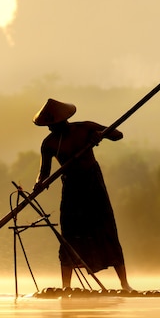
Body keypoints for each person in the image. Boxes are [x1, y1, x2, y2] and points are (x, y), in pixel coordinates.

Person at [33, 98, 133, 291]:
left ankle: (124, 284)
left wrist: (99, 135)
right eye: (48, 126)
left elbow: (118, 135)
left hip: (93, 184)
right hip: (71, 188)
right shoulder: (50, 143)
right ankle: (66, 287)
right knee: (69, 234)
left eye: (52, 125)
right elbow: (44, 172)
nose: (50, 129)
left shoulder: (86, 128)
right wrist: (39, 184)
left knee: (106, 229)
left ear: (63, 121)